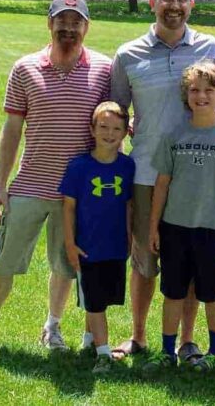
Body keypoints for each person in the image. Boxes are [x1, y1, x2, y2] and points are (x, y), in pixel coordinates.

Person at [0, 0, 112, 352]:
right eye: (61, 21)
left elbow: (114, 123)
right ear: (49, 23)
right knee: (5, 261)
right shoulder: (25, 68)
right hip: (30, 185)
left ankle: (52, 328)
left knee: (66, 265)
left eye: (76, 22)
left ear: (87, 26)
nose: (68, 29)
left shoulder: (104, 69)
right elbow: (11, 131)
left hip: (77, 193)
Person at [109, 0, 215, 362]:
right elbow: (118, 115)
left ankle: (187, 340)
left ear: (191, 5)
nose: (174, 6)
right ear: (152, 2)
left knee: (188, 261)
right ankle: (138, 337)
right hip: (144, 172)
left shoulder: (210, 47)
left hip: (196, 175)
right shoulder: (128, 54)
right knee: (143, 258)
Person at [142, 62, 215, 373]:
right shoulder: (174, 134)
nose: (201, 96)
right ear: (185, 95)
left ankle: (214, 355)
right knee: (173, 292)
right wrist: (154, 227)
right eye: (194, 90)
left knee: (212, 295)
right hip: (174, 228)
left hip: (211, 231)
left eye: (208, 90)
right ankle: (166, 352)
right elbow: (161, 184)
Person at [59, 102, 136, 373]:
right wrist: (70, 243)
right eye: (103, 126)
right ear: (92, 129)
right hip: (87, 247)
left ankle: (90, 340)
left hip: (115, 246)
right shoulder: (79, 167)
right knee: (93, 301)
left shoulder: (128, 167)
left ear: (126, 133)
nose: (109, 133)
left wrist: (129, 238)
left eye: (116, 128)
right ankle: (104, 354)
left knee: (102, 298)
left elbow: (128, 205)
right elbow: (68, 207)